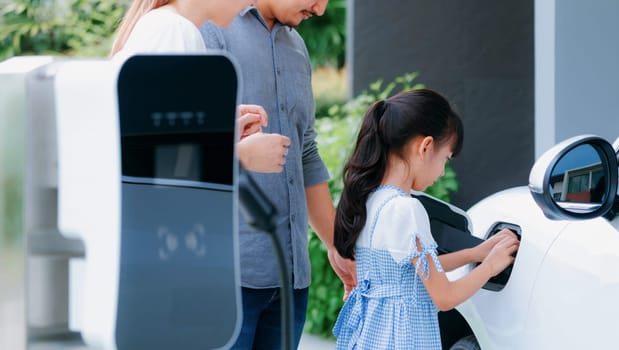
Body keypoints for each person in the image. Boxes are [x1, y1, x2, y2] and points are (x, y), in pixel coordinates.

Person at [199, 1, 357, 348]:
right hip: (228, 281)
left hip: (290, 284)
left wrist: (337, 246)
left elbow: (306, 153)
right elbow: (189, 144)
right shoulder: (210, 29)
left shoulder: (296, 47)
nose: (319, 9)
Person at [332, 89, 520, 349]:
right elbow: (444, 296)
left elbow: (411, 272)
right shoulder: (407, 210)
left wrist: (476, 253)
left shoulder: (370, 200)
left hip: (371, 339)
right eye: (446, 159)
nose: (443, 172)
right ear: (425, 146)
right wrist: (491, 266)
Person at [110, 0, 291, 173]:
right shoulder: (175, 31)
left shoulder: (172, 28)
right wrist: (242, 157)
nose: (253, 3)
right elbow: (152, 160)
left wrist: (215, 127)